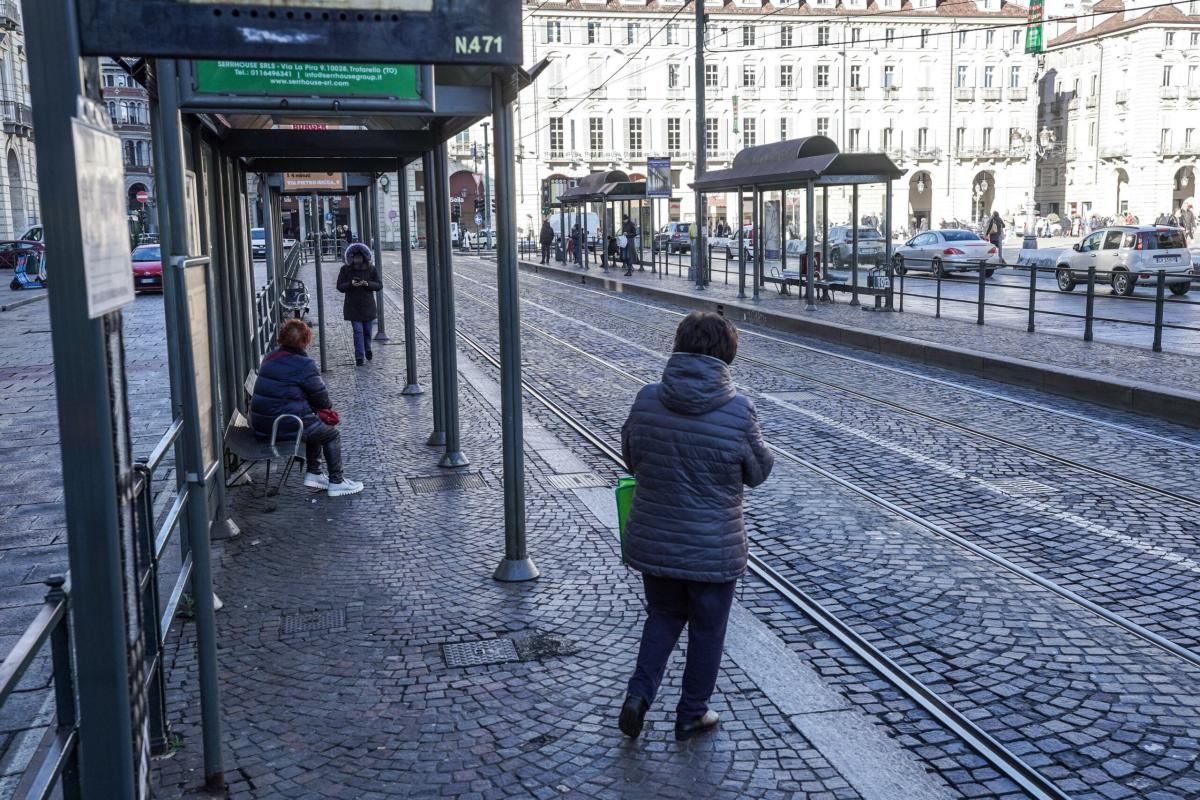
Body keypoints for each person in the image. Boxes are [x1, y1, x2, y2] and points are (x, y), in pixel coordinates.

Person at [617, 311, 774, 743]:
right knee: (707, 630)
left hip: (656, 537)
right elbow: (757, 472)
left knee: (663, 615)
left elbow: (633, 458)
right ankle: (691, 714)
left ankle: (638, 696)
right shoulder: (739, 409)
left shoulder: (647, 398)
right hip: (713, 547)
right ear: (727, 353)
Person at [250, 319, 364, 497]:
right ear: (305, 341)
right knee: (331, 434)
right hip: (283, 425)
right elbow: (323, 401)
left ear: (281, 338)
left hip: (263, 424)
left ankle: (315, 473)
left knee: (312, 423)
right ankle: (337, 481)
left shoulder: (270, 357)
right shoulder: (304, 364)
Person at [336, 242, 382, 366]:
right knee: (358, 332)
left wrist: (367, 284)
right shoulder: (345, 269)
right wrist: (351, 284)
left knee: (367, 331)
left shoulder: (371, 269)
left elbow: (379, 285)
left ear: (364, 257)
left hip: (368, 306)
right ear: (351, 258)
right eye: (355, 258)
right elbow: (340, 286)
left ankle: (367, 349)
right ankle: (359, 357)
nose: (357, 260)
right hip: (353, 306)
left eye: (359, 257)